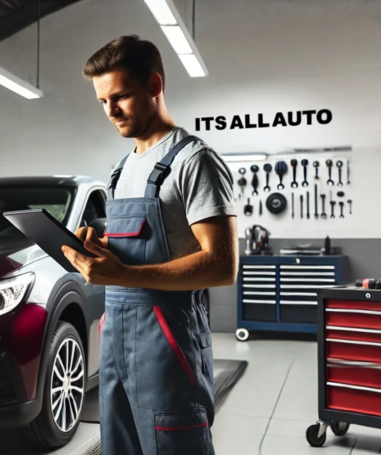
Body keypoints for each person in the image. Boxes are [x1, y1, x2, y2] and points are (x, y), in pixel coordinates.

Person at [62, 35, 238, 455]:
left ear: (155, 85)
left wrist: (126, 275)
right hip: (117, 341)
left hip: (168, 344)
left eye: (120, 96)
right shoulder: (121, 170)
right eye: (103, 101)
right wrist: (96, 246)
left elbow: (221, 265)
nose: (111, 111)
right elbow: (132, 246)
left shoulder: (194, 162)